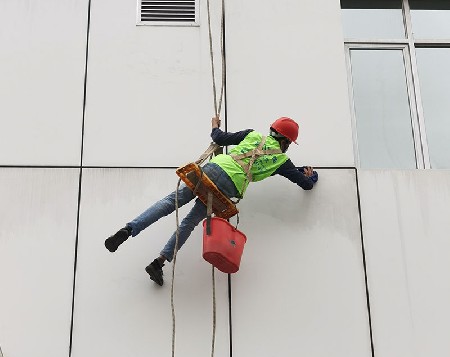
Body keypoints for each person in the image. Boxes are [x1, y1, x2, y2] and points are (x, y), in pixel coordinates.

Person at [105, 116, 318, 286]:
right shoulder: (282, 161)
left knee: (171, 202)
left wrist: (215, 126)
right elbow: (305, 184)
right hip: (229, 187)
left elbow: (220, 138)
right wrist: (311, 176)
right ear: (287, 141)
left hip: (213, 169)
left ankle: (127, 229)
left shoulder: (252, 135)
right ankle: (159, 262)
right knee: (190, 222)